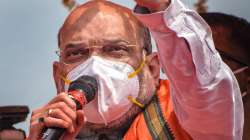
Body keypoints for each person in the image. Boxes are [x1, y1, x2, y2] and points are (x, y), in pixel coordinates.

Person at [26, 0, 244, 139]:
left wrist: (160, 10)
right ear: (58, 76)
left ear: (151, 68)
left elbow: (207, 88)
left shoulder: (186, 119)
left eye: (116, 50)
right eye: (76, 53)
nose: (94, 66)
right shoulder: (49, 132)